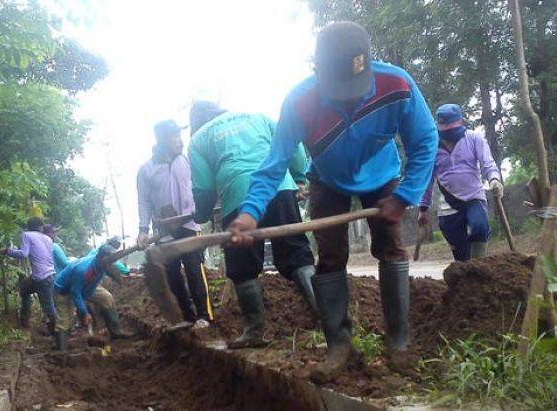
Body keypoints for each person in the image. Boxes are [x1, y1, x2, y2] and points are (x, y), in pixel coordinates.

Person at [227, 22, 438, 382]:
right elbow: (273, 165)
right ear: (317, 71)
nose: (350, 98)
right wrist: (249, 214)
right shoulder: (299, 101)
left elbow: (425, 139)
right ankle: (339, 345)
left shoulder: (397, 84)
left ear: (368, 66)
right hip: (326, 179)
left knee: (390, 248)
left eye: (355, 89)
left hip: (382, 173)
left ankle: (399, 343)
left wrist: (404, 196)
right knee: (331, 257)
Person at [188, 101, 317, 348]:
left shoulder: (198, 139)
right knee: (297, 254)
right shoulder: (256, 116)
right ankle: (326, 318)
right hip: (279, 186)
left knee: (242, 265)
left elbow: (203, 190)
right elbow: (292, 143)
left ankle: (255, 331)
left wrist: (201, 214)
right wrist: (300, 178)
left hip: (238, 196)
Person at [137, 119, 213, 328]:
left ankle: (204, 316)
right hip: (164, 230)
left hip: (188, 225)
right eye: (174, 137)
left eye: (180, 136)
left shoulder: (187, 161)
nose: (179, 141)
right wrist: (143, 230)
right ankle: (187, 317)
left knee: (193, 269)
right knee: (171, 274)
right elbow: (143, 201)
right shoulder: (146, 170)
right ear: (162, 141)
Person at [418, 104, 503, 261]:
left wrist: (495, 179)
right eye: (445, 130)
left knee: (479, 227)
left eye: (452, 129)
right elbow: (427, 180)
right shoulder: (432, 147)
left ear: (461, 123)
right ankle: (465, 273)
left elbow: (488, 163)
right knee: (461, 254)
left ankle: (479, 267)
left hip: (473, 197)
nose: (448, 135)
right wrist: (423, 208)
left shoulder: (474, 138)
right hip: (448, 205)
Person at [52, 245, 131, 353]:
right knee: (64, 320)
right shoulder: (83, 269)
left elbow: (114, 271)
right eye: (109, 263)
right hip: (65, 290)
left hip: (87, 287)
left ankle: (115, 332)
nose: (111, 265)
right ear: (100, 259)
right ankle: (62, 352)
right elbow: (76, 293)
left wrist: (125, 274)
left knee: (106, 298)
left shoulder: (104, 264)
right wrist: (84, 312)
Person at [0, 217, 57, 333]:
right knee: (24, 289)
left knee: (48, 308)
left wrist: (7, 251)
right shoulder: (48, 239)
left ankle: (59, 333)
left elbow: (23, 254)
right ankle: (25, 322)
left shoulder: (27, 235)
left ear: (29, 227)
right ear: (40, 227)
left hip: (42, 278)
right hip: (48, 275)